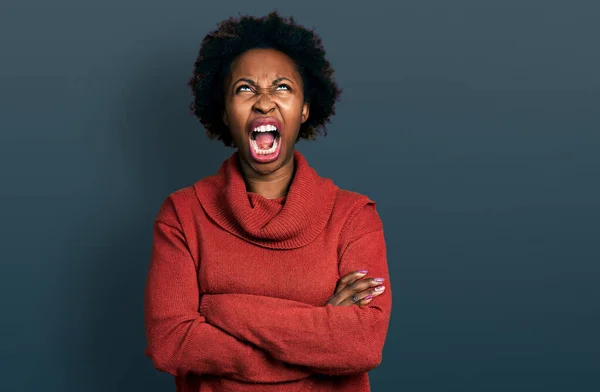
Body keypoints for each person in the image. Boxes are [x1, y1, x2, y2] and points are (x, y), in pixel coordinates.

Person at [144, 10, 392, 392]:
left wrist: (219, 309)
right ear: (225, 112)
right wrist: (317, 335)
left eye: (282, 87)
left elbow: (362, 343)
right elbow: (170, 342)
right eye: (244, 88)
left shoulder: (353, 217)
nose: (263, 102)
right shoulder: (182, 214)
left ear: (305, 109)